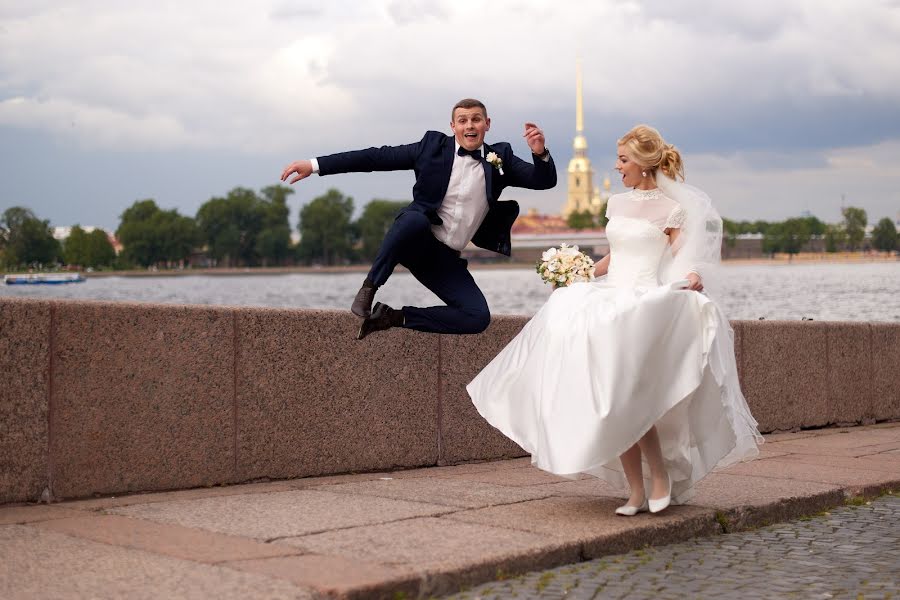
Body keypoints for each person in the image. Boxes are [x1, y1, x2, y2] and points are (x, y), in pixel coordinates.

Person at [467, 125, 762, 516]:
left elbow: (684, 259)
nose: (618, 166)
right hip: (609, 301)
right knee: (607, 401)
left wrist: (692, 276)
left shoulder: (671, 209)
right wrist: (582, 272)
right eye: (618, 159)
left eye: (623, 159)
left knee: (626, 399)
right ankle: (636, 491)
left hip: (641, 305)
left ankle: (659, 476)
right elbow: (614, 257)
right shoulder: (618, 203)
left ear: (642, 164)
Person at [280, 98, 557, 339]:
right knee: (414, 220)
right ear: (453, 127)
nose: (469, 126)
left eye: (476, 120)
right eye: (462, 120)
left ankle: (393, 318)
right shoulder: (431, 148)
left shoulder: (500, 158)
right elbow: (374, 158)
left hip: (445, 260)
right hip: (417, 240)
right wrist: (315, 165)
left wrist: (539, 153)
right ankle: (369, 288)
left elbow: (543, 181)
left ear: (487, 123)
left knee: (477, 317)